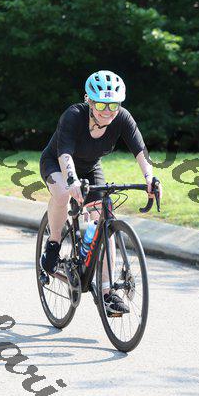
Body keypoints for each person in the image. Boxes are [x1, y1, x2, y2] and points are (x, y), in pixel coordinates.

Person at [39, 70, 162, 315]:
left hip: (90, 168)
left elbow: (140, 151)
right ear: (89, 100)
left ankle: (107, 292)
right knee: (62, 194)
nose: (107, 111)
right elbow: (65, 153)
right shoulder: (74, 116)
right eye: (101, 104)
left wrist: (150, 178)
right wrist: (72, 180)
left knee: (105, 221)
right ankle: (53, 243)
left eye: (113, 105)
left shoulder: (122, 118)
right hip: (58, 163)